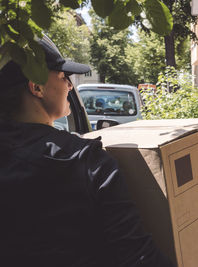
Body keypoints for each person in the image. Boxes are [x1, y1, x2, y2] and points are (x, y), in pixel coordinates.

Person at [0, 35, 173, 267]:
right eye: (63, 77)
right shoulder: (86, 161)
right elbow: (137, 256)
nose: (69, 85)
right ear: (36, 86)